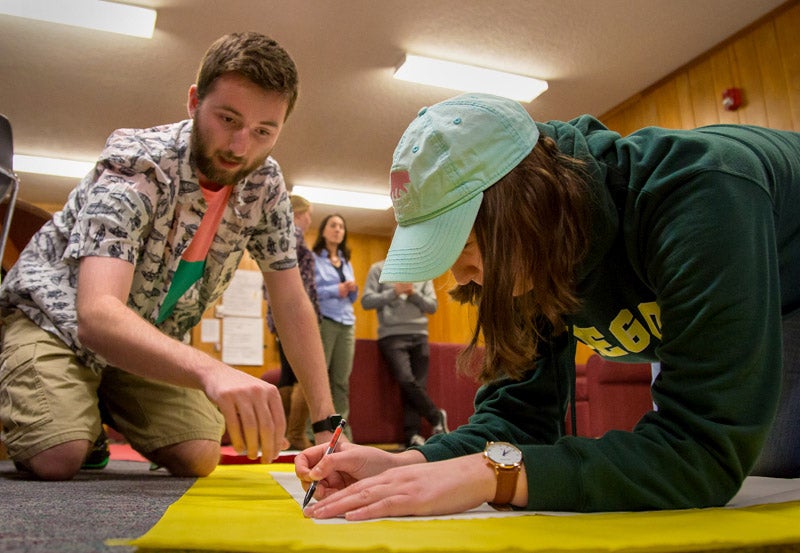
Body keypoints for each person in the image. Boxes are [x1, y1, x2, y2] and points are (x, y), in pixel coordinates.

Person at [296, 92, 800, 520]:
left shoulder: (701, 194)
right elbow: (521, 418)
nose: (460, 277)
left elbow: (701, 451)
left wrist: (494, 474)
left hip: (783, 289)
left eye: (462, 247)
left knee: (769, 471)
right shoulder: (529, 248)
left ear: (523, 207)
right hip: (718, 296)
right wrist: (414, 463)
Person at [0, 32, 339, 481]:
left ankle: (97, 397)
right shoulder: (136, 163)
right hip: (53, 322)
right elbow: (97, 315)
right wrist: (211, 371)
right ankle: (64, 405)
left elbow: (292, 302)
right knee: (57, 454)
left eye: (263, 131)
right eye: (228, 119)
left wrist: (325, 424)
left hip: (138, 341)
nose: (240, 146)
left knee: (201, 452)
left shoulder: (266, 185)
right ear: (195, 101)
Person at [361, 259, 447, 448]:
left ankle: (412, 436)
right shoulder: (378, 269)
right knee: (406, 379)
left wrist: (412, 293)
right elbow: (366, 301)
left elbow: (432, 306)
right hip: (392, 335)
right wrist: (395, 292)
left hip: (420, 335)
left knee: (417, 387)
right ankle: (436, 416)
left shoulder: (423, 269)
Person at [265, 194, 319, 450]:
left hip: (279, 315)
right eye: (308, 214)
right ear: (300, 214)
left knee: (287, 375)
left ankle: (285, 435)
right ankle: (296, 433)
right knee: (304, 375)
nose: (310, 219)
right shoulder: (295, 237)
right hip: (295, 315)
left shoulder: (283, 236)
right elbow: (298, 283)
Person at [312, 214, 358, 440]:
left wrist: (352, 288)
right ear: (323, 231)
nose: (338, 230)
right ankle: (313, 431)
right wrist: (335, 290)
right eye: (333, 225)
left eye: (341, 226)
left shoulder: (346, 261)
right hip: (325, 322)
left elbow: (353, 298)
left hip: (347, 323)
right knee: (319, 377)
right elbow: (309, 293)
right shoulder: (314, 259)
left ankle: (341, 432)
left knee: (341, 380)